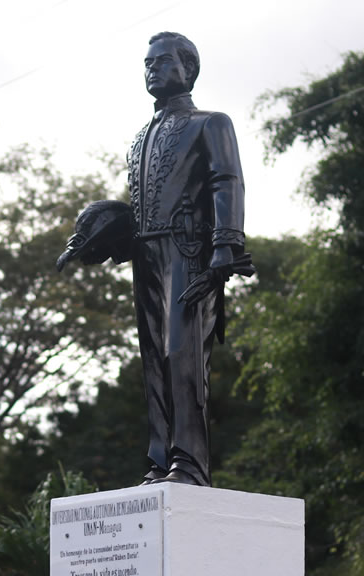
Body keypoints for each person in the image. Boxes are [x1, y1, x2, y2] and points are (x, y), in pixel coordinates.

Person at [128, 31, 249, 486]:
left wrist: (226, 243)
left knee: (182, 353)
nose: (151, 68)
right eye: (147, 63)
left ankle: (190, 463)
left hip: (190, 250)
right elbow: (142, 204)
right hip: (146, 255)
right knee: (154, 358)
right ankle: (159, 461)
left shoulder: (210, 122)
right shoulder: (140, 138)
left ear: (188, 69)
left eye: (161, 61)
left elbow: (226, 180)